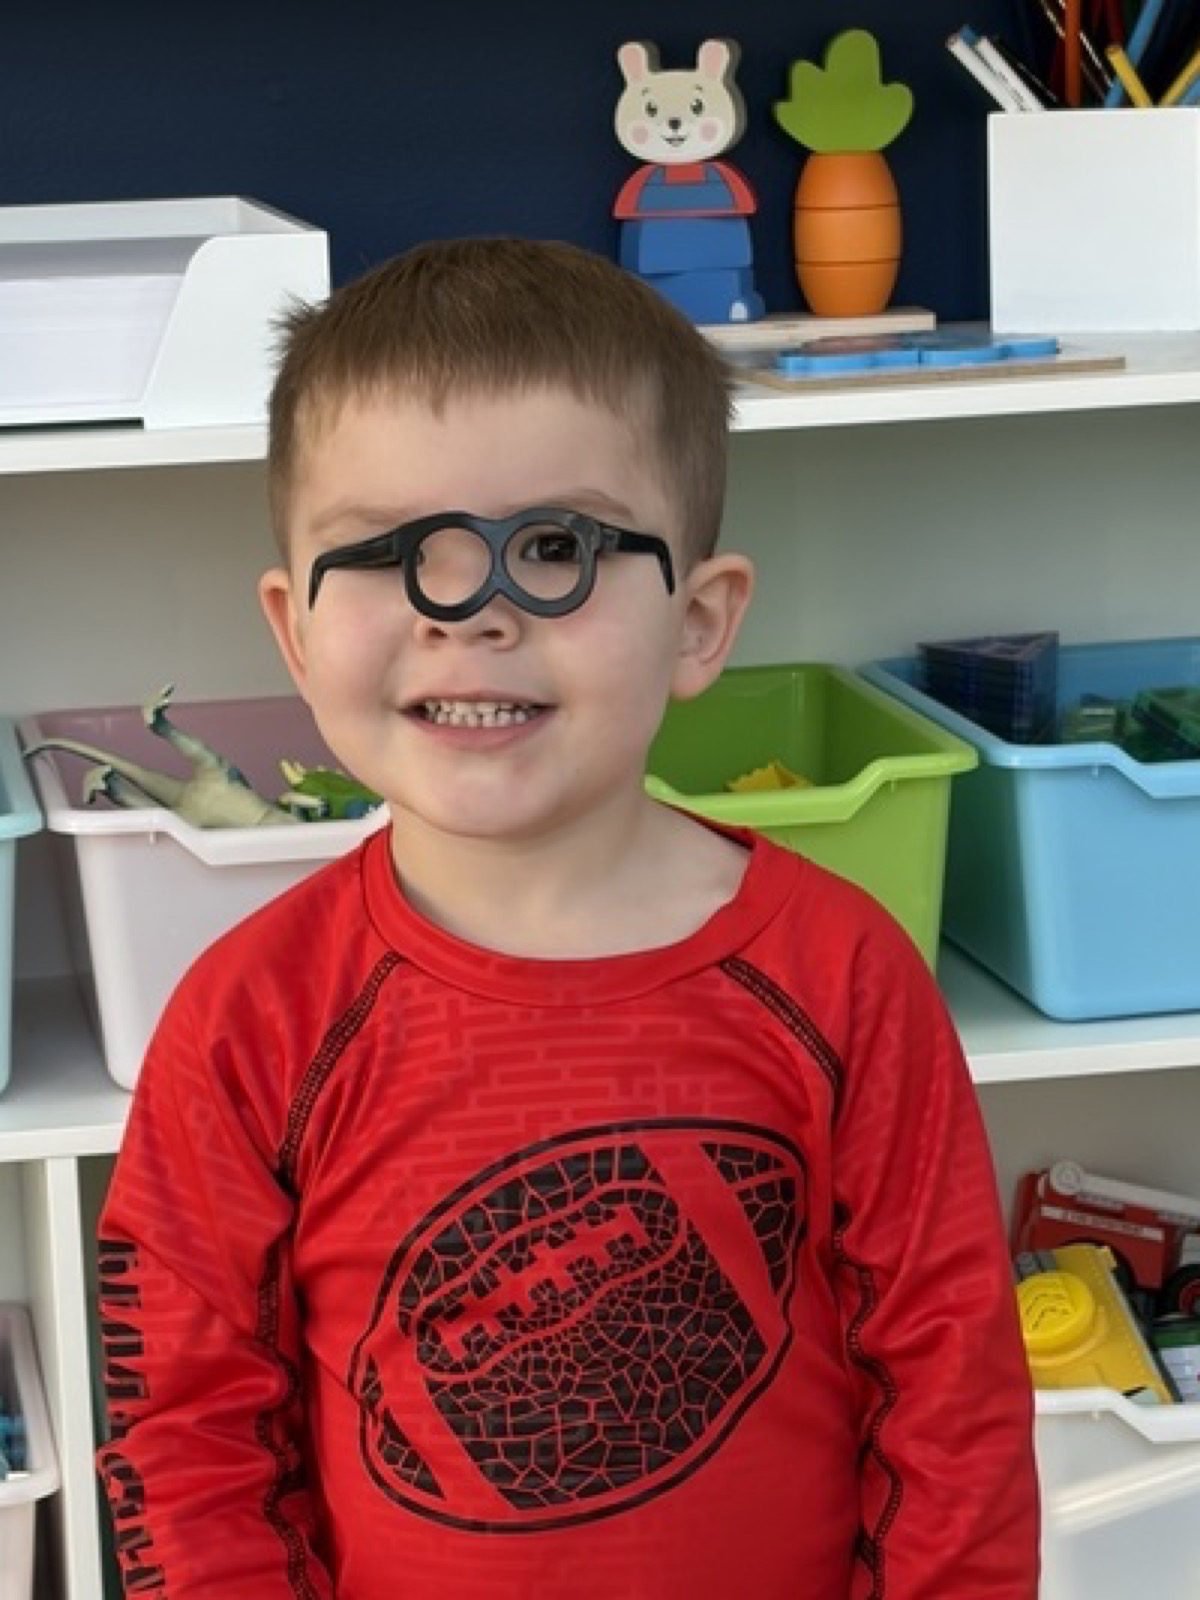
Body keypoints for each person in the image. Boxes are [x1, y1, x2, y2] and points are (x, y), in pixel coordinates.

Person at [96, 236, 1039, 1598]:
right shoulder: (251, 1019)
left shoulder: (842, 975)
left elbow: (953, 1395)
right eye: (389, 549)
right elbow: (184, 1438)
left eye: (556, 546)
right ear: (296, 630)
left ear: (702, 623)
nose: (470, 613)